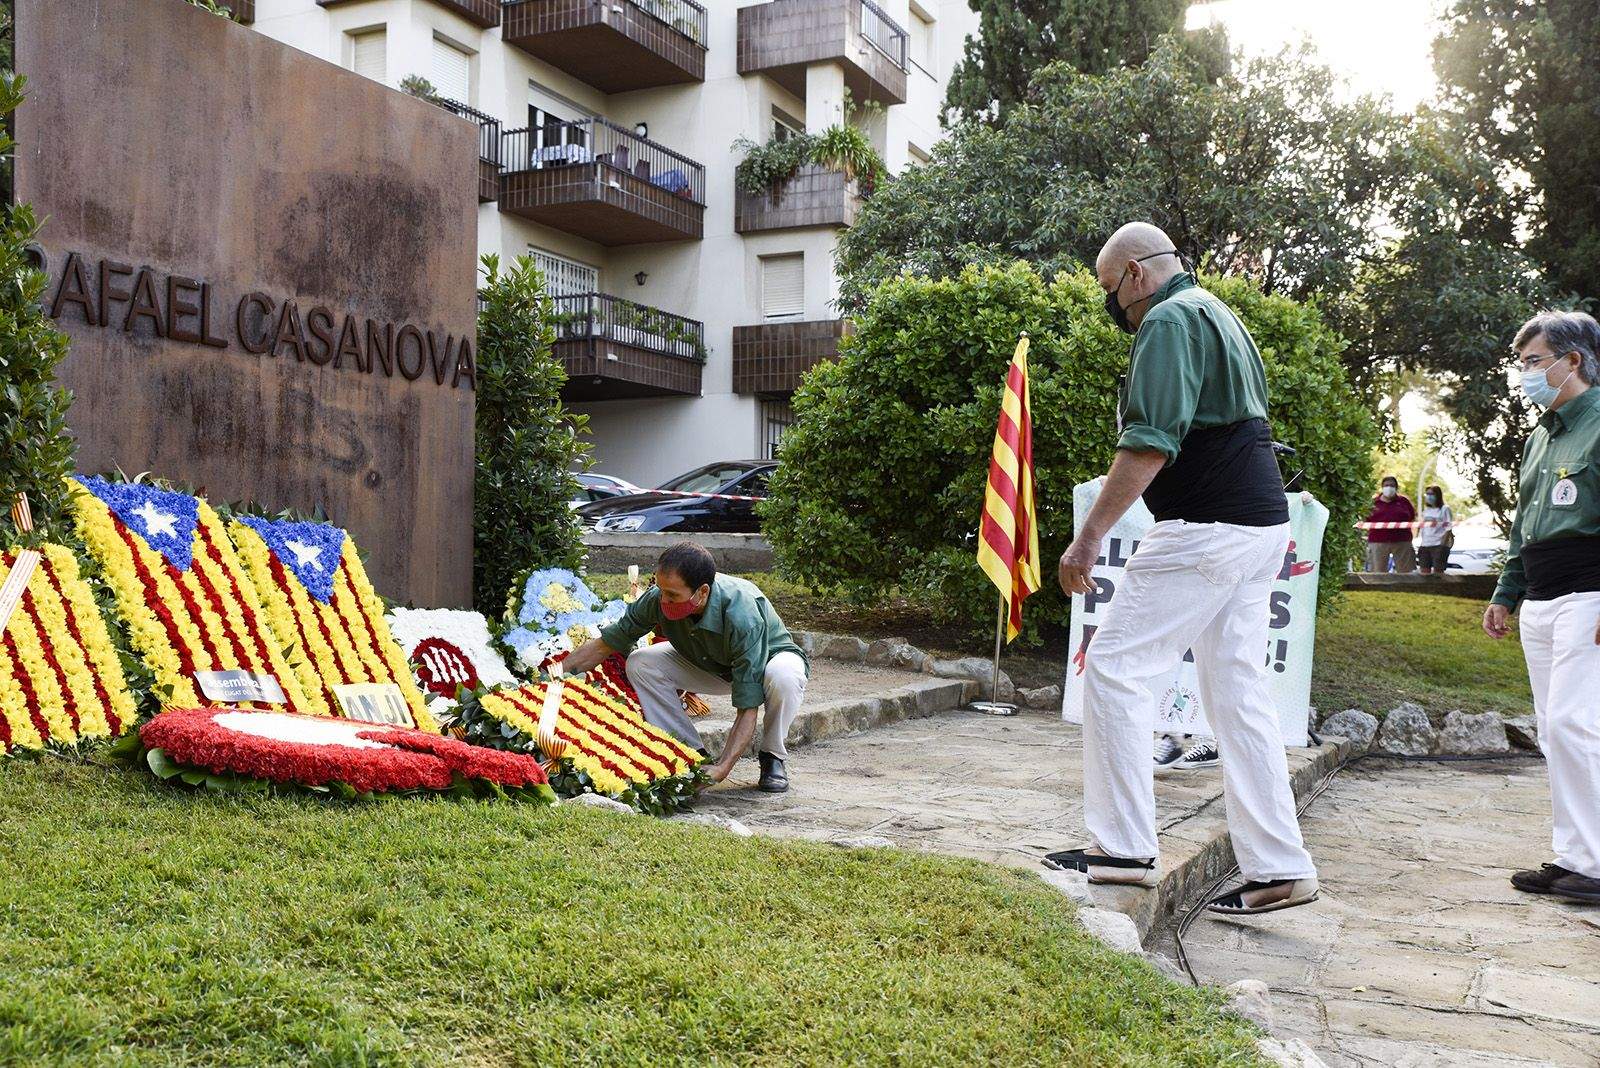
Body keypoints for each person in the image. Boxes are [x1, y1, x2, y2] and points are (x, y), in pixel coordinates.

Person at [1044, 221, 1318, 915]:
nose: (1116, 308)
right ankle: (1279, 864)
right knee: (1237, 694)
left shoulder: (1168, 319)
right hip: (1260, 526)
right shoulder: (1221, 313)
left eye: (1112, 291)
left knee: (1114, 668)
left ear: (1136, 273)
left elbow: (1148, 444)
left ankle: (1124, 851)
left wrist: (1086, 540)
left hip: (1207, 527)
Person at [1484, 310, 1600, 906]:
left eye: (1534, 362)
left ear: (1572, 361)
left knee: (1575, 724)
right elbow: (1524, 524)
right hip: (1542, 596)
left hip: (1590, 592)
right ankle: (1575, 857)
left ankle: (1595, 861)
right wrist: (1508, 592)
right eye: (1523, 363)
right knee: (1556, 733)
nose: (1525, 374)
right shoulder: (1540, 434)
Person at [561, 542, 809, 793]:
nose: (664, 601)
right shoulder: (658, 597)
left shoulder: (742, 614)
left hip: (768, 660)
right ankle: (688, 753)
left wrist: (723, 769)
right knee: (641, 662)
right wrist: (554, 674)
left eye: (673, 596)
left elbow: (748, 706)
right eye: (661, 591)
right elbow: (607, 643)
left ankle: (772, 756)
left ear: (702, 592)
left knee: (783, 677)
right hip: (711, 663)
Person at [1364, 476, 1417, 573]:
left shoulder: (1404, 502)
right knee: (1377, 572)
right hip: (1377, 542)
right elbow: (1366, 520)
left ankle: (1404, 588)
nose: (1389, 487)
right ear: (1382, 487)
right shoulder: (1373, 503)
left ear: (1396, 487)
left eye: (1392, 485)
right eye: (1386, 485)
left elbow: (1412, 518)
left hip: (1402, 541)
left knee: (1405, 572)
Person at [1416, 484, 1454, 575]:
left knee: (1438, 573)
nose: (1429, 496)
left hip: (1438, 545)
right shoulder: (1426, 511)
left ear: (1438, 495)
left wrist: (1442, 544)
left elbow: (1448, 528)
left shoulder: (1444, 509)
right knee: (1424, 572)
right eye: (1427, 494)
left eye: (1432, 494)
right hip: (1425, 545)